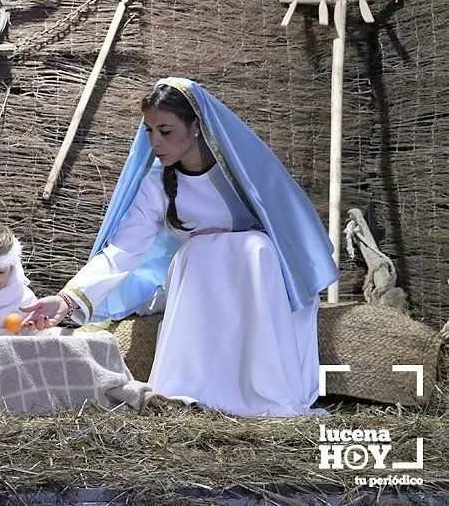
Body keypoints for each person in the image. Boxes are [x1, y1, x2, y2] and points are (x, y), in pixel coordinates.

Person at [22, 77, 339, 417]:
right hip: (200, 279)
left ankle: (265, 388)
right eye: (149, 132)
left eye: (166, 131)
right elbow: (122, 251)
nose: (155, 142)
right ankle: (192, 387)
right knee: (197, 250)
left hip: (257, 279)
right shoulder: (157, 184)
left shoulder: (243, 172)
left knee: (253, 247)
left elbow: (288, 229)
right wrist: (66, 300)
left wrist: (230, 236)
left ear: (196, 127)